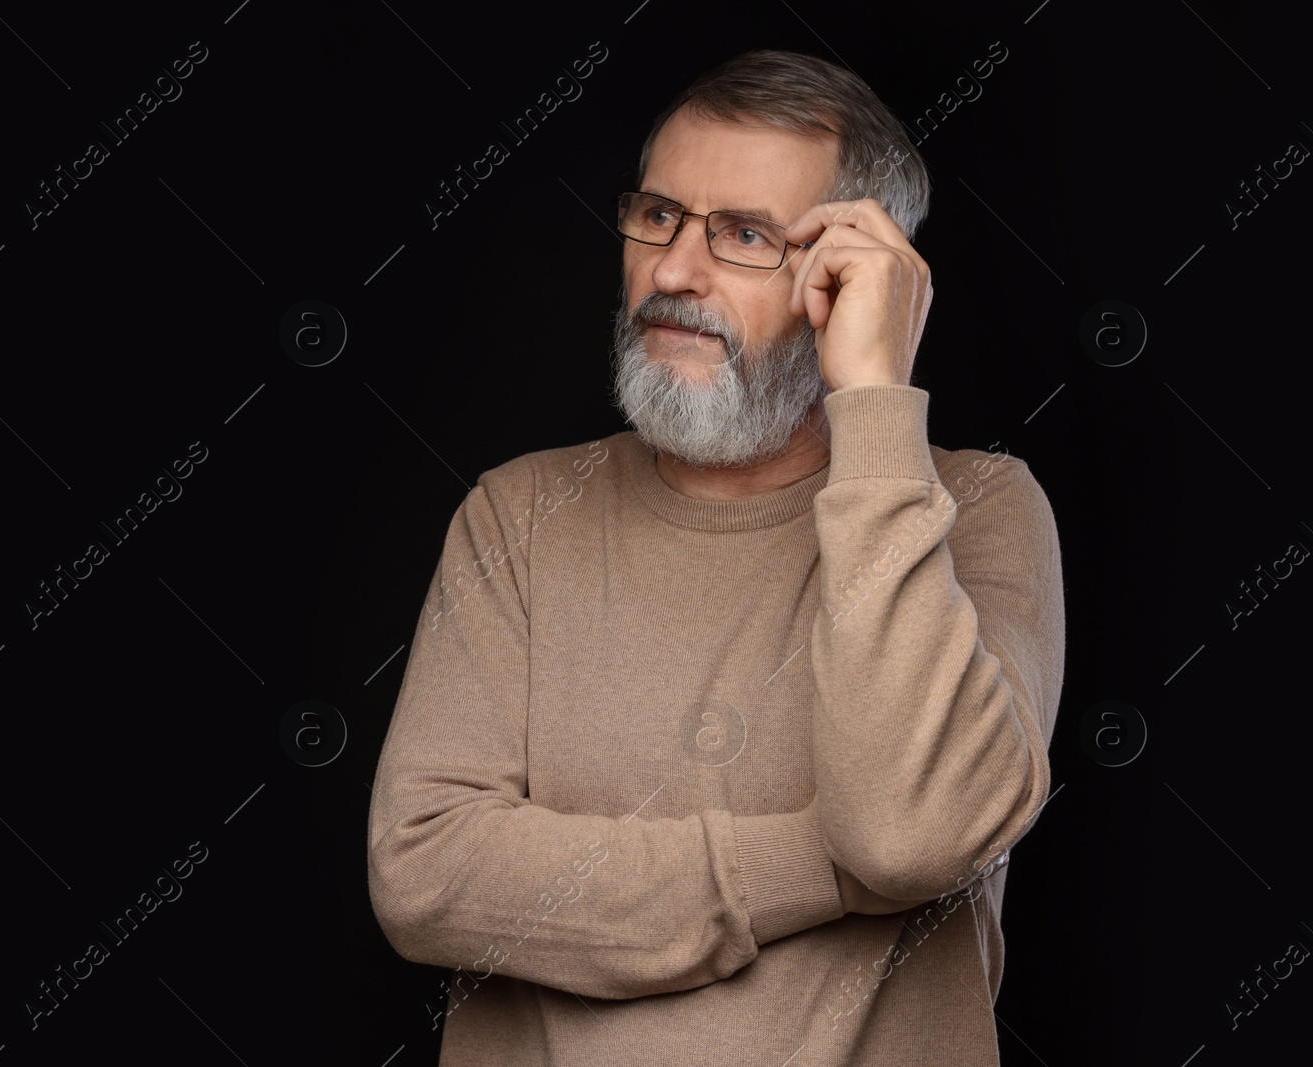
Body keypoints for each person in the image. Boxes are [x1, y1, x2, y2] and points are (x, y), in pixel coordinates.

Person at [367, 48, 1065, 1067]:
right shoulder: (517, 513)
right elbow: (425, 875)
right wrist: (828, 863)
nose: (674, 272)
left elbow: (911, 832)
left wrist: (874, 406)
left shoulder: (979, 510)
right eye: (657, 216)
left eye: (744, 235)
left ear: (851, 276)